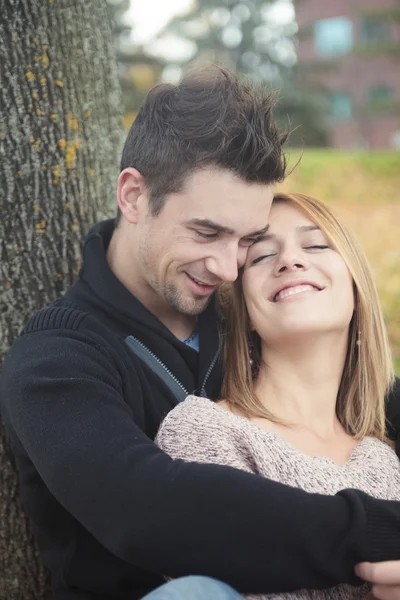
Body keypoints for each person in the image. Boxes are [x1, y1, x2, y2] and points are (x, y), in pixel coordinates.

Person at [0, 65, 400, 600]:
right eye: (206, 232)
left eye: (246, 241)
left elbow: (366, 392)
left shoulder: (248, 311)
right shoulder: (55, 359)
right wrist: (371, 532)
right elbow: (144, 507)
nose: (229, 267)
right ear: (134, 195)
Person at [156, 192, 400, 599]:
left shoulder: (384, 459)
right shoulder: (205, 432)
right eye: (263, 256)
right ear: (244, 313)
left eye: (316, 244)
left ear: (356, 289)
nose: (290, 260)